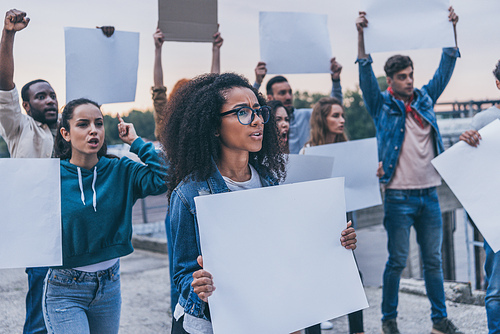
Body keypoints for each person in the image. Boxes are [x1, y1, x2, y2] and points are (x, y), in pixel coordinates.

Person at [161, 72, 358, 333]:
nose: (257, 120)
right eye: (242, 112)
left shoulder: (270, 183)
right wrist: (198, 285)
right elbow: (182, 275)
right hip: (211, 324)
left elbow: (287, 253)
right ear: (214, 127)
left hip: (264, 321)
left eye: (258, 110)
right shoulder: (188, 194)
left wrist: (337, 241)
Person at [356, 7, 462, 334]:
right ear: (390, 80)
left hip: (429, 195)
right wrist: (361, 34)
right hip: (398, 197)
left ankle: (439, 321)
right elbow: (363, 70)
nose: (408, 81)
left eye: (410, 75)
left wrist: (451, 28)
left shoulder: (426, 98)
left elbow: (447, 62)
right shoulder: (381, 104)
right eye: (401, 77)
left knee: (433, 262)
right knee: (396, 262)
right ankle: (389, 321)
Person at [42, 98, 167, 333]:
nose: (93, 130)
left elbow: (166, 177)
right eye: (83, 124)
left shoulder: (121, 170)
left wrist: (136, 142)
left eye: (98, 123)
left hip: (109, 284)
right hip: (64, 287)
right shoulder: (49, 176)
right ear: (65, 134)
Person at [151, 26, 224, 313]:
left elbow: (216, 85)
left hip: (211, 196)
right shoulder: (166, 126)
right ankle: (181, 315)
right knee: (183, 271)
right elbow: (158, 90)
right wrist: (157, 49)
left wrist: (215, 49)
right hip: (183, 203)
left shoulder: (206, 125)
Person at [0, 9, 58, 334]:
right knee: (40, 309)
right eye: (41, 96)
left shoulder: (69, 131)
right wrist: (8, 35)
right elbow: (4, 84)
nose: (50, 100)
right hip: (38, 232)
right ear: (26, 105)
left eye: (52, 95)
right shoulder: (19, 127)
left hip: (71, 228)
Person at [459, 60, 500, 334]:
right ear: (498, 84)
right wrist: (466, 141)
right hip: (496, 213)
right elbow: (468, 165)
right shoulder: (484, 120)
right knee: (497, 287)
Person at [253, 58, 343, 154]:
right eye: (282, 93)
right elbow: (249, 109)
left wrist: (336, 80)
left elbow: (332, 108)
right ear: (270, 98)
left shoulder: (305, 116)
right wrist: (257, 82)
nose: (288, 97)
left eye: (290, 92)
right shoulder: (264, 121)